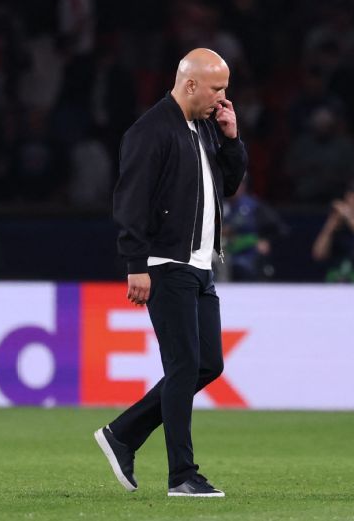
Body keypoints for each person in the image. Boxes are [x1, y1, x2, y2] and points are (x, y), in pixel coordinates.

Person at [94, 48, 247, 498]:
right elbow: (130, 202)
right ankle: (182, 474)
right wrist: (136, 265)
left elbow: (227, 186)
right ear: (191, 84)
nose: (223, 98)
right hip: (165, 264)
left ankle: (123, 433)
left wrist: (232, 140)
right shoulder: (151, 130)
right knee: (183, 367)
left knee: (207, 365)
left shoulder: (205, 127)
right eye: (217, 88)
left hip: (199, 265)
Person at [221, 176, 286, 282]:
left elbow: (278, 228)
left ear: (243, 186)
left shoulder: (254, 206)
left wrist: (266, 240)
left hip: (248, 253)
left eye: (237, 184)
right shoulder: (219, 204)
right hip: (223, 253)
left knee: (241, 266)